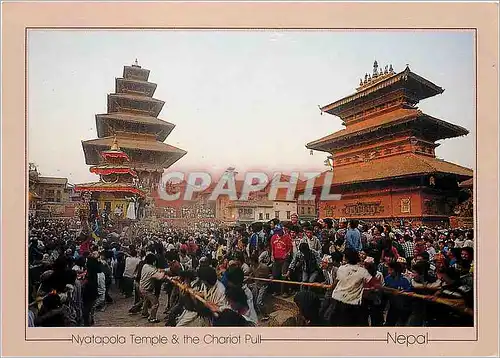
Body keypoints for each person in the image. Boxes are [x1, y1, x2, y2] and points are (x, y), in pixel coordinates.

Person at [329, 249, 380, 326]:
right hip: (350, 303)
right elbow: (375, 284)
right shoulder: (362, 271)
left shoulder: (342, 268)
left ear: (347, 258)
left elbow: (334, 284)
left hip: (341, 300)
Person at [139, 253, 165, 323]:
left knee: (146, 300)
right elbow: (160, 277)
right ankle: (152, 318)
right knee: (155, 303)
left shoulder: (145, 266)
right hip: (146, 290)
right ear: (153, 261)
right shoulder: (151, 269)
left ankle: (144, 313)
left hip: (142, 287)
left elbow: (155, 270)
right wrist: (163, 272)